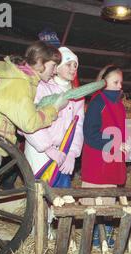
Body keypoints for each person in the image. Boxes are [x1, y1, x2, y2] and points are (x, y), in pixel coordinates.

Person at [0, 41, 68, 248]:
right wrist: (54, 109)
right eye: (53, 66)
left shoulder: (19, 77)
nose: (54, 72)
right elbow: (29, 123)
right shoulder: (19, 82)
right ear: (40, 62)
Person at [23, 47, 84, 186]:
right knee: (39, 193)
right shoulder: (41, 88)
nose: (73, 68)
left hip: (63, 151)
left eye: (75, 65)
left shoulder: (78, 97)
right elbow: (31, 120)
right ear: (56, 67)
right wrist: (47, 148)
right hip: (38, 149)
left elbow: (78, 126)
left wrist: (72, 153)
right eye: (68, 64)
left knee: (59, 197)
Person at [81, 65, 127, 247]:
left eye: (120, 82)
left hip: (112, 161)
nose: (119, 86)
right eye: (115, 82)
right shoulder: (97, 103)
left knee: (108, 200)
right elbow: (90, 134)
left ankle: (104, 238)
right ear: (103, 82)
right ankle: (92, 238)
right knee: (95, 201)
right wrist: (114, 143)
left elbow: (121, 131)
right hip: (97, 161)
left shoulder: (119, 105)